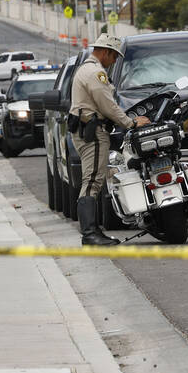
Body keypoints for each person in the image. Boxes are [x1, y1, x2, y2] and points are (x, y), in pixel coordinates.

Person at [70, 33, 150, 246]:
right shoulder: (96, 73)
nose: (114, 61)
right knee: (92, 181)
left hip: (87, 129)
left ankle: (93, 231)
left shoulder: (86, 69)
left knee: (93, 179)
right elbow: (108, 104)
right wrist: (130, 123)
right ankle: (89, 234)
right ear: (105, 52)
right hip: (93, 132)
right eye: (114, 57)